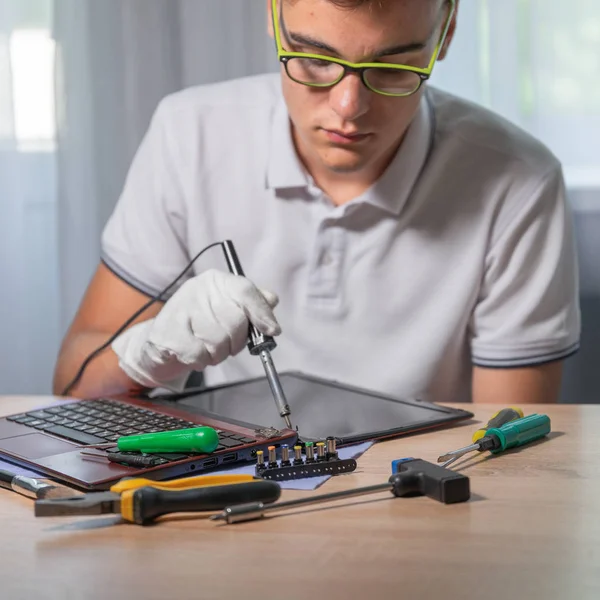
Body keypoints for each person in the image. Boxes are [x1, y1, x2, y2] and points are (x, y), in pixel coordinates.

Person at [52, 0, 580, 407]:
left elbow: (510, 453)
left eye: (394, 68)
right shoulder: (188, 134)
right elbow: (72, 385)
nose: (348, 108)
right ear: (272, 13)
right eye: (313, 59)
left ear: (447, 31)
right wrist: (149, 353)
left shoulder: (519, 182)